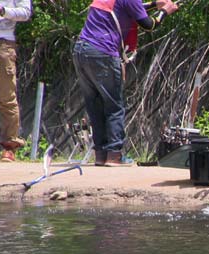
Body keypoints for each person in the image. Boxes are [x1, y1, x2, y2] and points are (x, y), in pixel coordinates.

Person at [73, 0, 178, 167]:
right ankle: (114, 155)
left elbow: (127, 9)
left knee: (94, 104)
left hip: (81, 50)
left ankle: (100, 155)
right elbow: (148, 25)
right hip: (103, 53)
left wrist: (153, 4)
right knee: (114, 105)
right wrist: (165, 11)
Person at [0, 0, 31, 162]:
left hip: (3, 41)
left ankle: (9, 146)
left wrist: (2, 10)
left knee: (6, 96)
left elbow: (25, 13)